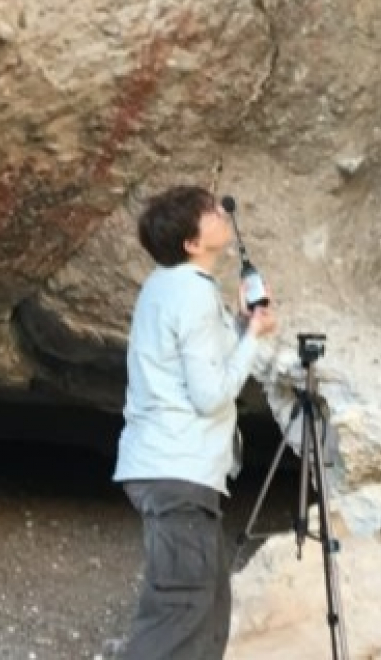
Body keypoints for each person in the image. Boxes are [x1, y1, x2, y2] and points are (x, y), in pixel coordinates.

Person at [114, 184, 278, 659]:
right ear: (191, 242)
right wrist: (256, 340)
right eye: (208, 211)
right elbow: (210, 396)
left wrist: (239, 325)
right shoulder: (190, 293)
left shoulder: (166, 286)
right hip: (177, 469)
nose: (220, 211)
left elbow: (197, 356)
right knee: (180, 613)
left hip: (170, 470)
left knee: (206, 610)